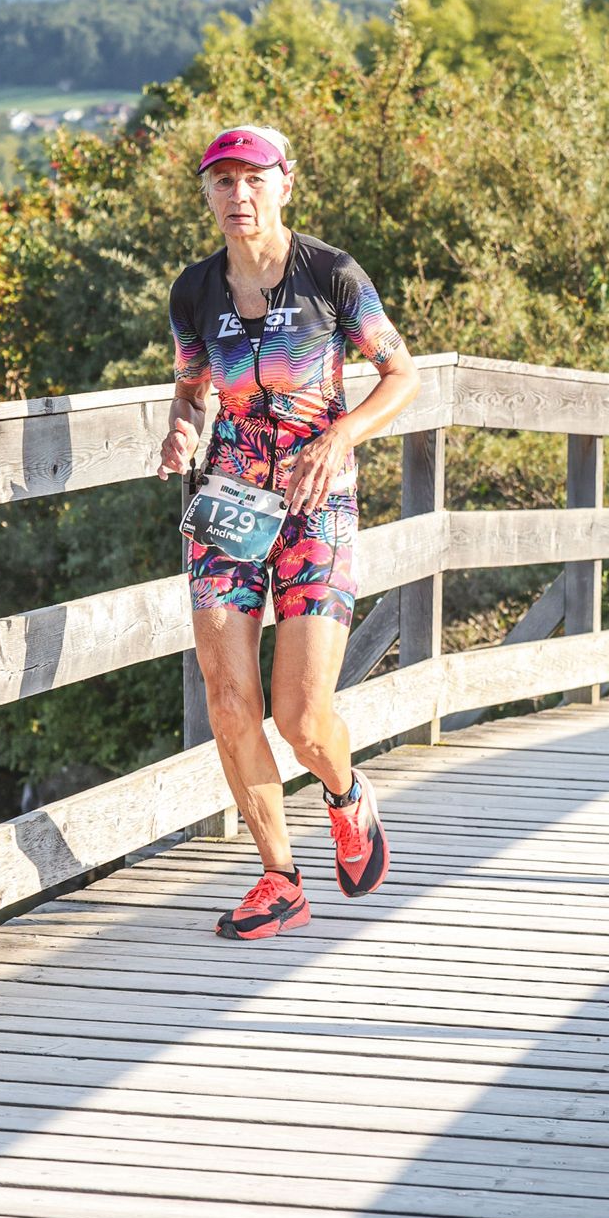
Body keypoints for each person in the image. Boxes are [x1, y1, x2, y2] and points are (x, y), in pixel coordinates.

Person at [156, 123, 421, 939]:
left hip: (316, 504)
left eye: (253, 179)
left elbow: (400, 374)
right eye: (223, 181)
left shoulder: (330, 274)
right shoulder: (193, 291)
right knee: (228, 701)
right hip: (229, 505)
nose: (238, 195)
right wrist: (180, 428)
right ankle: (279, 878)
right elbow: (192, 388)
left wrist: (342, 435)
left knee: (302, 717)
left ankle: (345, 795)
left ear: (284, 184)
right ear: (207, 194)